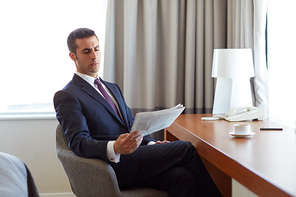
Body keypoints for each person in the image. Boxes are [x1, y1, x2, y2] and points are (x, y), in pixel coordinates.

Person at [53, 28, 221, 197]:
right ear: (73, 56)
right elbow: (78, 142)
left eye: (96, 49)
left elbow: (130, 124)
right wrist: (114, 147)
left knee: (184, 177)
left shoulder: (112, 87)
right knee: (185, 149)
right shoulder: (68, 95)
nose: (94, 56)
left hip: (136, 159)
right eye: (86, 51)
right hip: (111, 167)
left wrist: (151, 144)